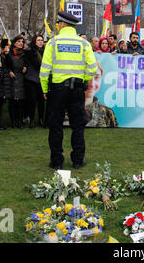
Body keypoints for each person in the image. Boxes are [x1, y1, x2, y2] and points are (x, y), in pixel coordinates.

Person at [40, 11, 97, 170]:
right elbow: (92, 68)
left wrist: (45, 88)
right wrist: (83, 80)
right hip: (77, 89)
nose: (58, 25)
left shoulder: (53, 42)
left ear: (63, 24)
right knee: (78, 126)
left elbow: (45, 70)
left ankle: (56, 161)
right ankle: (78, 160)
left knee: (56, 125)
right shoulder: (84, 43)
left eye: (58, 23)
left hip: (57, 90)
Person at [85, 61, 118, 127]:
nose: (92, 84)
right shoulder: (64, 109)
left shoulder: (108, 113)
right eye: (88, 77)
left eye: (97, 77)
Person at [24, 34, 46, 128]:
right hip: (32, 79)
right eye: (38, 40)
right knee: (32, 101)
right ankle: (32, 120)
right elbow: (37, 64)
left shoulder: (45, 52)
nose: (41, 42)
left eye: (41, 40)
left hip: (42, 80)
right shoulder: (30, 52)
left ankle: (41, 119)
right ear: (34, 41)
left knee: (41, 101)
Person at [5, 34, 27, 128]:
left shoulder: (25, 54)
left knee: (21, 102)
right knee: (12, 102)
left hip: (21, 79)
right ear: (14, 43)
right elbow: (5, 66)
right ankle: (13, 121)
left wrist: (26, 67)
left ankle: (20, 121)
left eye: (22, 42)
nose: (20, 43)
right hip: (12, 80)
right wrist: (9, 71)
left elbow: (28, 64)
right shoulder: (9, 54)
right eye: (18, 41)